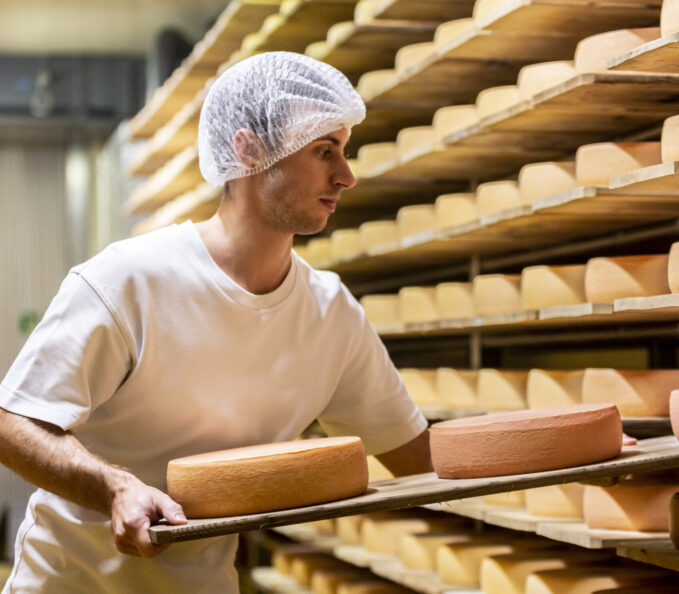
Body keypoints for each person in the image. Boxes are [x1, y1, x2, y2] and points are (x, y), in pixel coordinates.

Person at [0, 51, 430, 592]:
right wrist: (114, 488)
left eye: (343, 151)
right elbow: (13, 423)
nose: (346, 175)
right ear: (247, 148)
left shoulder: (330, 314)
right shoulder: (128, 281)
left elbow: (419, 457)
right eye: (325, 151)